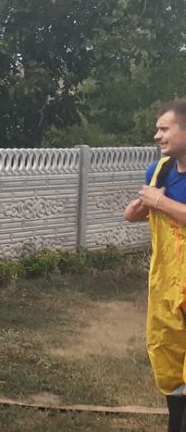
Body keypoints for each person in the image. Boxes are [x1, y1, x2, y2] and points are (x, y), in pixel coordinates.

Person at [124, 98, 186, 432]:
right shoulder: (158, 170)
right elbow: (140, 211)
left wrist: (159, 201)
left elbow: (160, 203)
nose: (157, 136)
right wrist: (137, 211)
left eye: (164, 128)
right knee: (168, 361)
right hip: (166, 283)